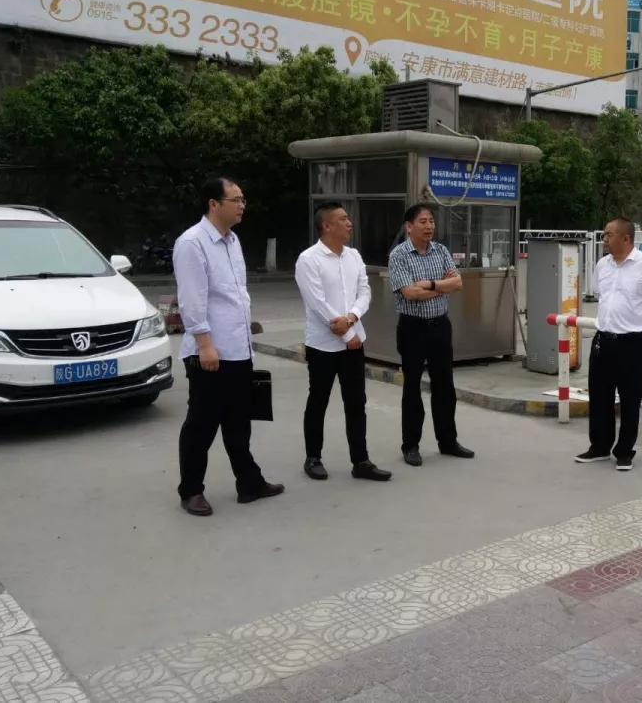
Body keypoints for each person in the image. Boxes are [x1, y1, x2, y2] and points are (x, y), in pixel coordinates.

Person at [172, 177, 284, 516]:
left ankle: (249, 483)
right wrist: (204, 344)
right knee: (201, 424)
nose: (242, 205)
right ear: (213, 204)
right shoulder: (192, 243)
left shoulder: (233, 241)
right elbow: (192, 300)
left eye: (243, 199)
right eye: (236, 200)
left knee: (239, 422)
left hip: (239, 349)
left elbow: (234, 294)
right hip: (211, 352)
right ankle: (191, 490)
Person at [295, 202, 391, 483]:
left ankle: (361, 461)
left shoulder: (354, 256)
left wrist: (352, 318)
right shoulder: (309, 259)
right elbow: (317, 303)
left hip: (354, 343)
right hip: (323, 345)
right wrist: (348, 333)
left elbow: (365, 292)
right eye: (343, 219)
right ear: (326, 226)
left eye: (349, 219)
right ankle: (313, 458)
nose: (350, 223)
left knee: (356, 402)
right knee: (318, 400)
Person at [575, 218, 642, 471]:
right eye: (604, 235)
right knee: (599, 396)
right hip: (603, 340)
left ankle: (624, 451)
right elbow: (603, 295)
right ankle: (599, 446)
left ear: (626, 238)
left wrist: (638, 321)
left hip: (631, 342)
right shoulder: (602, 265)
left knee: (629, 398)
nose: (604, 239)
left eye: (609, 235)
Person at [387, 204, 474, 467]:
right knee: (412, 386)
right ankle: (411, 445)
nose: (429, 226)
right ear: (409, 227)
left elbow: (458, 283)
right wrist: (442, 288)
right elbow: (409, 293)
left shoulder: (441, 251)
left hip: (440, 326)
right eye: (423, 221)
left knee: (444, 385)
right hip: (412, 327)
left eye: (431, 221)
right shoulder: (399, 255)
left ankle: (448, 441)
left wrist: (430, 284)